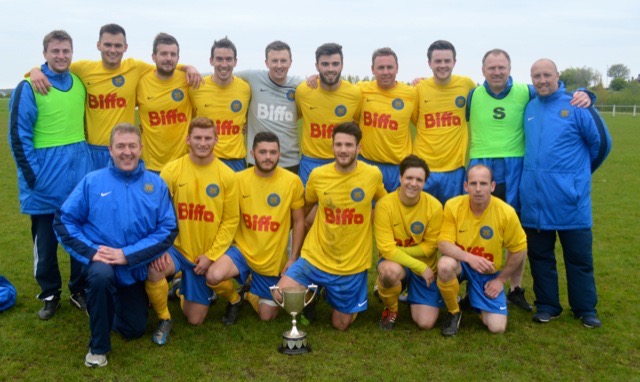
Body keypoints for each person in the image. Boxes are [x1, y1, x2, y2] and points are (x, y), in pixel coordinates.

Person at [465, 49, 592, 312]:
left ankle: (515, 288)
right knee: (475, 228)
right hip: (482, 166)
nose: (497, 72)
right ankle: (474, 286)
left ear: (510, 68)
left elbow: (555, 93)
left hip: (515, 168)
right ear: (483, 70)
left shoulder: (527, 91)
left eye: (502, 67)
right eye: (492, 68)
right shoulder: (472, 94)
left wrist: (585, 93)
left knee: (516, 231)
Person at [53, 123, 178, 367]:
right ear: (110, 150)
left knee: (134, 330)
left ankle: (106, 304)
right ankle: (98, 349)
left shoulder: (156, 184)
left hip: (132, 268)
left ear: (141, 149)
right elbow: (63, 220)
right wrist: (92, 251)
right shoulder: (92, 181)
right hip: (102, 263)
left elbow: (168, 229)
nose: (126, 152)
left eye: (132, 146)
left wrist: (127, 255)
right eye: (120, 146)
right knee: (101, 277)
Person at [29, 23, 200, 169]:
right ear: (99, 45)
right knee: (96, 202)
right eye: (108, 45)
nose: (113, 50)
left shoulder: (135, 67)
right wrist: (36, 70)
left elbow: (165, 65)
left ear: (125, 47)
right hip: (94, 150)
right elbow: (57, 65)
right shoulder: (83, 69)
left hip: (125, 150)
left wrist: (188, 68)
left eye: (118, 46)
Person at [520, 59, 611, 328]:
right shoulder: (530, 106)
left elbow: (602, 145)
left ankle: (585, 309)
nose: (542, 80)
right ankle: (548, 305)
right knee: (540, 258)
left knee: (579, 259)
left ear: (558, 76)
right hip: (535, 202)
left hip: (570, 201)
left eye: (547, 74)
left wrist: (576, 177)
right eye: (536, 76)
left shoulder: (577, 105)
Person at [8, 30, 92, 320]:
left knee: (80, 238)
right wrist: (35, 180)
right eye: (55, 51)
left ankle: (78, 290)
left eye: (66, 51)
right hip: (45, 181)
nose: (61, 56)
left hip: (78, 179)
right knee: (45, 243)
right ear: (44, 54)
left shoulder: (79, 82)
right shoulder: (29, 87)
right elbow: (18, 137)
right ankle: (49, 293)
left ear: (72, 52)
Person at [275, 122, 387, 331]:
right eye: (338, 145)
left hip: (351, 263)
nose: (343, 150)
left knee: (341, 324)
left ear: (359, 148)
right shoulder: (318, 175)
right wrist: (293, 255)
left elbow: (385, 203)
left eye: (348, 145)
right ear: (332, 147)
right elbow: (305, 208)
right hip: (315, 256)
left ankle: (333, 294)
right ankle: (312, 292)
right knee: (279, 293)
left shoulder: (372, 175)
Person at [144, 116, 239, 345]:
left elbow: (230, 220)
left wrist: (212, 256)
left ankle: (232, 297)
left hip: (205, 254)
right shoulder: (172, 170)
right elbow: (158, 213)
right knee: (154, 269)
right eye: (197, 137)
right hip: (177, 249)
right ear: (188, 140)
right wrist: (160, 248)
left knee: (195, 319)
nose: (203, 143)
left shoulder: (227, 176)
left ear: (217, 139)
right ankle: (164, 318)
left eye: (208, 138)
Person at [206, 132, 305, 321]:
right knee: (213, 275)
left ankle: (249, 292)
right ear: (252, 153)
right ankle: (234, 298)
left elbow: (299, 221)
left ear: (279, 154)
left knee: (266, 316)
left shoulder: (292, 181)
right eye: (263, 152)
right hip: (242, 251)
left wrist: (293, 257)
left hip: (271, 259)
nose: (268, 157)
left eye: (272, 152)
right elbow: (227, 218)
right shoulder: (237, 179)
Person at [437, 164, 527, 336]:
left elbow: (519, 249)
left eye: (483, 184)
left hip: (488, 270)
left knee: (497, 327)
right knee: (445, 265)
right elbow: (443, 243)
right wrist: (469, 258)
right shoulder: (453, 206)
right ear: (466, 186)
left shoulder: (506, 212)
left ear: (492, 186)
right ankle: (454, 311)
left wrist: (500, 280)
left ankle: (473, 297)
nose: (478, 189)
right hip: (461, 264)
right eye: (473, 183)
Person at [374, 155, 443, 330]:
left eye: (419, 180)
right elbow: (385, 249)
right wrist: (419, 267)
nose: (413, 183)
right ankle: (391, 308)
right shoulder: (384, 205)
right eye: (409, 178)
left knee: (425, 323)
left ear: (425, 182)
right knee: (389, 272)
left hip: (424, 265)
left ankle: (410, 293)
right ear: (400, 178)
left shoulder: (434, 206)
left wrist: (398, 251)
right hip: (403, 264)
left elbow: (430, 246)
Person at [411, 40, 476, 205]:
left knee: (452, 218)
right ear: (429, 63)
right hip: (424, 167)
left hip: (454, 169)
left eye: (447, 61)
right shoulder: (419, 89)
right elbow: (415, 120)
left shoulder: (466, 85)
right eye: (438, 61)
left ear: (454, 62)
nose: (443, 65)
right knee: (422, 219)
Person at [296, 43, 362, 185]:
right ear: (317, 66)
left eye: (335, 64)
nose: (330, 69)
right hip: (311, 161)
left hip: (341, 161)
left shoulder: (354, 93)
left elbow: (358, 122)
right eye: (325, 64)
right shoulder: (303, 91)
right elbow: (294, 116)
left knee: (342, 206)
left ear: (342, 65)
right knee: (307, 206)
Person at [236, 41, 302, 173]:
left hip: (289, 161)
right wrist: (187, 69)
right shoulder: (253, 77)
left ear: (290, 62)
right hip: (257, 160)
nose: (279, 65)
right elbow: (220, 75)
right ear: (266, 63)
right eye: (274, 61)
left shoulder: (299, 86)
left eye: (283, 61)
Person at [357, 48, 416, 192]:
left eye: (390, 67)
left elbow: (421, 123)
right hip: (367, 164)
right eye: (380, 67)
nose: (385, 72)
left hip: (398, 167)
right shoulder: (360, 90)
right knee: (367, 211)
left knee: (397, 212)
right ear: (372, 69)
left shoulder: (412, 93)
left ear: (397, 68)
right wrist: (315, 78)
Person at [189, 37, 251, 172]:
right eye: (219, 59)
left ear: (235, 62)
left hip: (236, 161)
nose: (224, 64)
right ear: (211, 61)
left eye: (229, 59)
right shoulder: (196, 87)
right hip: (205, 159)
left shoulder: (245, 88)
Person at [136, 32, 193, 172]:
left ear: (178, 58)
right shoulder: (141, 83)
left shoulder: (188, 80)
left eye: (173, 54)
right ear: (153, 57)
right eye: (164, 54)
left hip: (182, 164)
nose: (169, 58)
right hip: (150, 166)